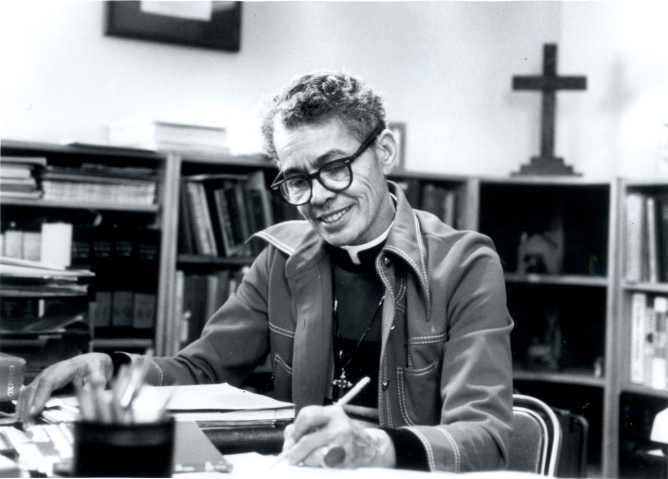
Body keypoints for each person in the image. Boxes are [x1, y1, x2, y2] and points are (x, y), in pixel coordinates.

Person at [17, 71, 514, 472]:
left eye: (336, 166)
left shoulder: (465, 264)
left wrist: (375, 447)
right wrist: (114, 367)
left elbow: (487, 438)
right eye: (297, 179)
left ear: (384, 152)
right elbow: (204, 370)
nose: (318, 196)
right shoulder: (280, 258)